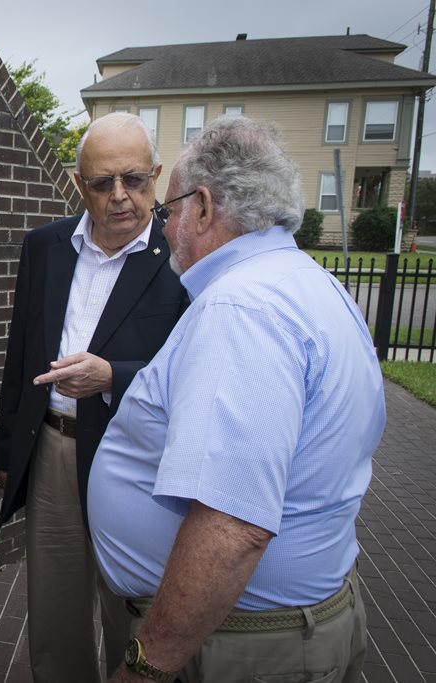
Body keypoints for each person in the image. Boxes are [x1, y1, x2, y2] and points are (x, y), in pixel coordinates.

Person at [88, 115, 386, 683]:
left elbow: (231, 526)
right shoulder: (307, 281)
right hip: (285, 626)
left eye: (168, 208)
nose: (164, 223)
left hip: (243, 645)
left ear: (202, 206)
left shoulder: (241, 310)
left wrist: (147, 664)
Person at [0, 112, 188, 681]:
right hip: (54, 450)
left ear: (156, 176)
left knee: (132, 611)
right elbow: (21, 351)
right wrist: (10, 454)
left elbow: (193, 371)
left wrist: (113, 377)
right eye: (103, 183)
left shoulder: (182, 259)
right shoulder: (45, 246)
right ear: (80, 184)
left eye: (135, 180)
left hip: (137, 461)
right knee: (55, 612)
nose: (121, 197)